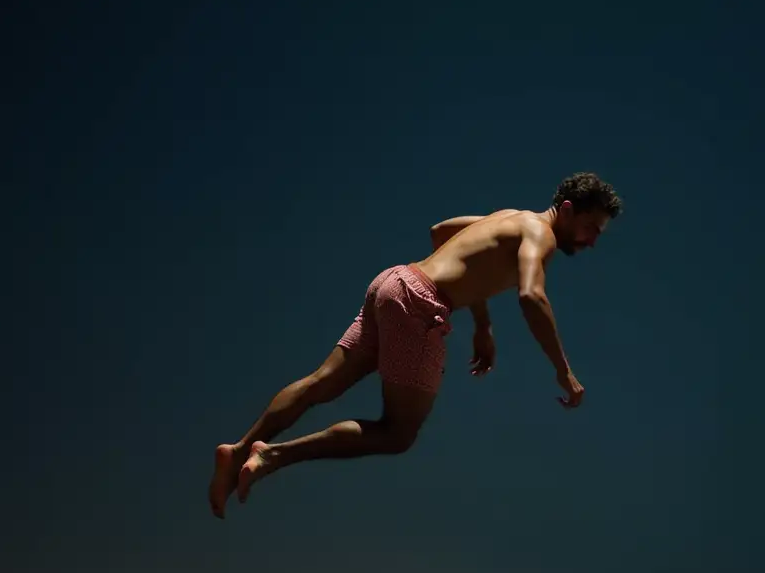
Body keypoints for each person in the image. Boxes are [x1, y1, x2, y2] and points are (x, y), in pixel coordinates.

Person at [207, 171, 623, 518]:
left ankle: (238, 449)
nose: (592, 241)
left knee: (321, 383)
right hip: (420, 305)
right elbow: (532, 296)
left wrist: (481, 323)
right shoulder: (541, 234)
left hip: (393, 282)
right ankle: (270, 457)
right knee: (397, 433)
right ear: (567, 209)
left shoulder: (509, 218)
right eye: (591, 229)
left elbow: (440, 231)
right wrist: (563, 371)